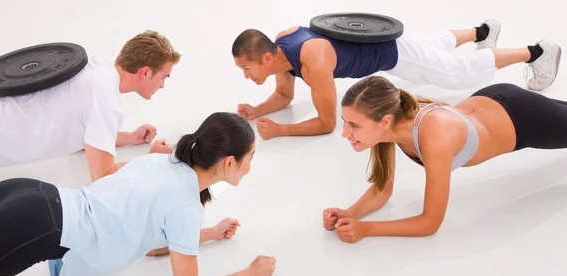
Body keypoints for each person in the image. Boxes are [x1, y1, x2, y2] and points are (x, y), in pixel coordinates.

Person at [0, 112, 276, 276]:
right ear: (229, 162)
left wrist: (208, 233)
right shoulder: (185, 205)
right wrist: (249, 274)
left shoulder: (164, 162)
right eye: (250, 158)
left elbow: (148, 244)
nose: (250, 166)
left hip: (29, 192)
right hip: (36, 226)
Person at [322, 75, 567, 243]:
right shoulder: (391, 126)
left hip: (523, 118)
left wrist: (367, 229)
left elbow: (430, 223)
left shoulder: (434, 136)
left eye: (354, 125)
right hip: (494, 101)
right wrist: (350, 213)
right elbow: (383, 190)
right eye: (345, 122)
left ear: (384, 121)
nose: (345, 133)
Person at [231, 19, 562, 140]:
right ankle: (484, 31)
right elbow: (285, 97)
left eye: (247, 68)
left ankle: (536, 52)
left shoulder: (311, 60)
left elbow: (327, 122)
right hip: (388, 42)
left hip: (392, 54)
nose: (246, 76)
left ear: (266, 58)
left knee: (455, 73)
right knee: (433, 48)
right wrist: (257, 110)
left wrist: (282, 130)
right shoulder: (282, 44)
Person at [0, 30, 179, 181]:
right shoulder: (105, 101)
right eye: (163, 77)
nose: (162, 85)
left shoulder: (95, 68)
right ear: (145, 72)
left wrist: (129, 137)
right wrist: (151, 159)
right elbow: (104, 177)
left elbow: (85, 132)